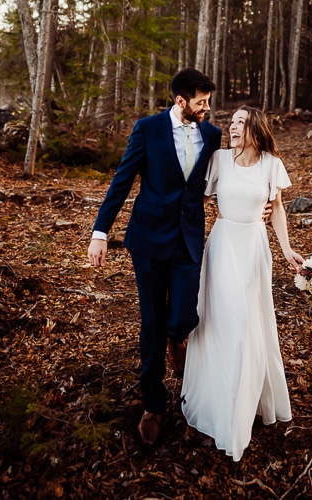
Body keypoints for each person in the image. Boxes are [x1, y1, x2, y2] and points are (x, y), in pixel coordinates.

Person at [87, 68, 222, 447]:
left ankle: (176, 339)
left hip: (188, 241)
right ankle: (153, 404)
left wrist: (262, 204)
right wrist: (101, 233)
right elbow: (122, 180)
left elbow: (222, 179)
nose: (207, 108)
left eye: (207, 101)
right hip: (147, 240)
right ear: (181, 101)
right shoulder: (147, 129)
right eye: (201, 102)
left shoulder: (211, 135)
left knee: (182, 316)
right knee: (151, 322)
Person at [181, 105, 304, 462]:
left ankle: (241, 409)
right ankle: (222, 404)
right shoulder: (218, 160)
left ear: (255, 128)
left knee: (247, 327)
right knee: (222, 324)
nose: (232, 127)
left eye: (240, 122)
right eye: (231, 122)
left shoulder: (270, 164)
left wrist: (287, 249)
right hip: (221, 247)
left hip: (253, 248)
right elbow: (196, 197)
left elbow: (276, 207)